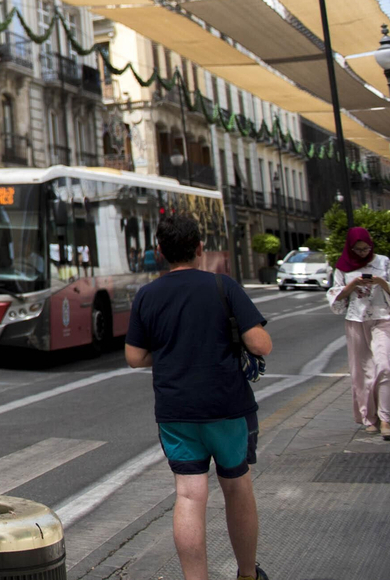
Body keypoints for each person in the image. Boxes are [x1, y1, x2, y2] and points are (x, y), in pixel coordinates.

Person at [125, 214, 272, 580]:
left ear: (160, 252)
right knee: (237, 486)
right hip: (226, 406)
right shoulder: (223, 286)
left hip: (176, 411)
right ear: (200, 248)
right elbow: (260, 343)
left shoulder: (148, 295)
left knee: (189, 495)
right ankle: (247, 574)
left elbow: (134, 357)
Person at [327, 226, 390, 440]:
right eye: (357, 250)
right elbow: (335, 297)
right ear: (350, 248)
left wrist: (381, 282)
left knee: (384, 366)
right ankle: (370, 418)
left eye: (366, 248)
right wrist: (352, 286)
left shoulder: (383, 262)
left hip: (384, 318)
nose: (362, 253)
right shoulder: (342, 267)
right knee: (363, 372)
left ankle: (385, 419)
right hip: (356, 321)